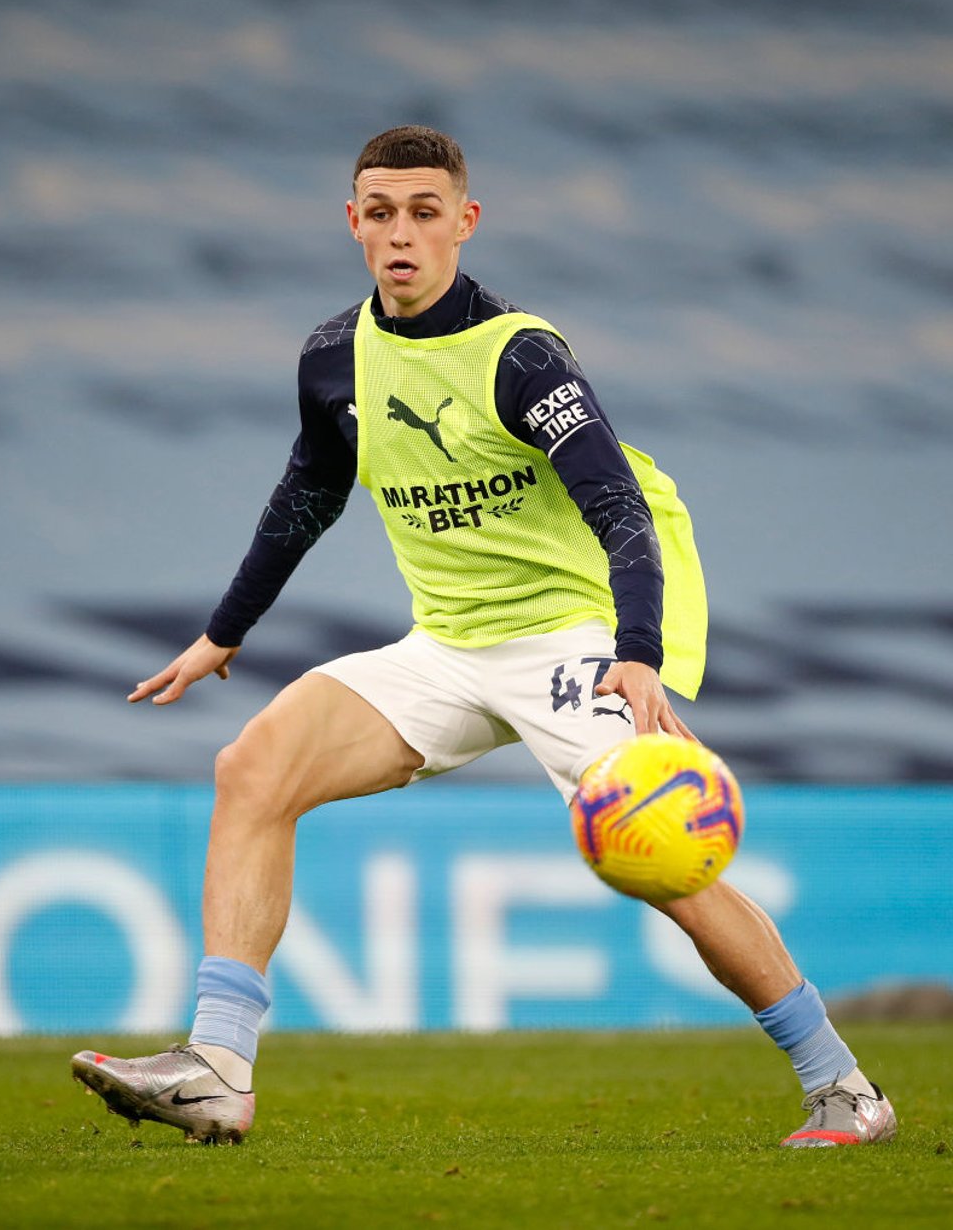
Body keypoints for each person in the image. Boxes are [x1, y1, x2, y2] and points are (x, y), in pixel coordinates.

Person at [72, 126, 895, 1149]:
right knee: (253, 768)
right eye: (380, 213)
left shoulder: (519, 357)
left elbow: (619, 507)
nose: (401, 234)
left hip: (573, 637)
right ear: (353, 225)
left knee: (654, 859)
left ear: (465, 221)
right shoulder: (336, 357)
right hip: (448, 647)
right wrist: (221, 633)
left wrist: (634, 653)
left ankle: (843, 1089)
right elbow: (308, 493)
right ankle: (216, 1068)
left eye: (424, 212)